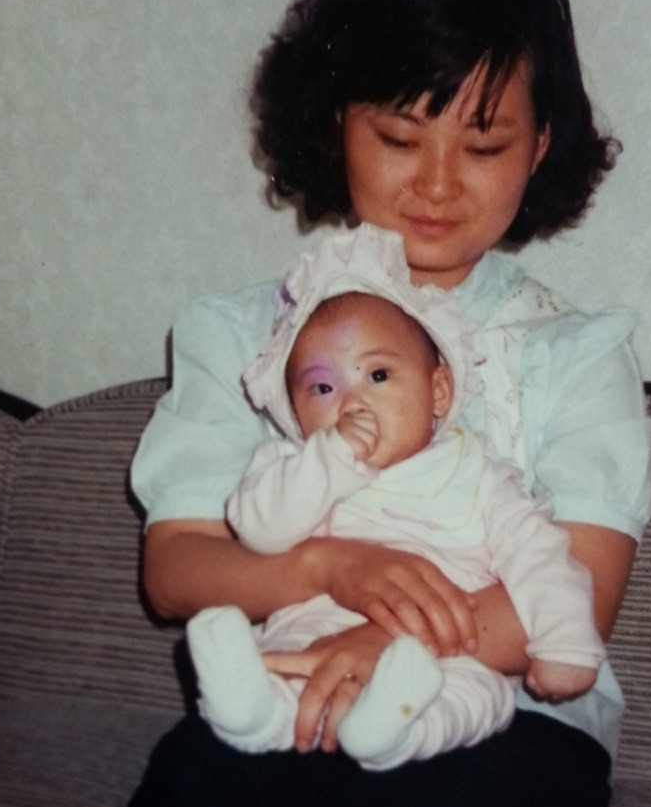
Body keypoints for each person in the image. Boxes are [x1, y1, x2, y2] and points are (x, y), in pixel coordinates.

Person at [128, 0, 651, 807]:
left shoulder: (575, 353)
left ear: (541, 146)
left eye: (484, 142)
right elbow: (176, 568)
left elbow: (579, 595)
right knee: (190, 796)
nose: (439, 183)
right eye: (401, 136)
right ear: (338, 123)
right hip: (291, 687)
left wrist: (390, 642)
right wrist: (328, 571)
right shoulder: (243, 337)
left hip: (514, 722)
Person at [188, 224, 605, 771]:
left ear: (439, 391)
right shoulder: (293, 466)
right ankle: (252, 715)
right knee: (277, 665)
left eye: (378, 374)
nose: (351, 403)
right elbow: (260, 529)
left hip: (441, 654)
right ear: (294, 412)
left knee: (479, 696)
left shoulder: (477, 475)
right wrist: (330, 459)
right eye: (322, 388)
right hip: (315, 631)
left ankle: (392, 728)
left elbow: (540, 556)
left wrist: (565, 641)